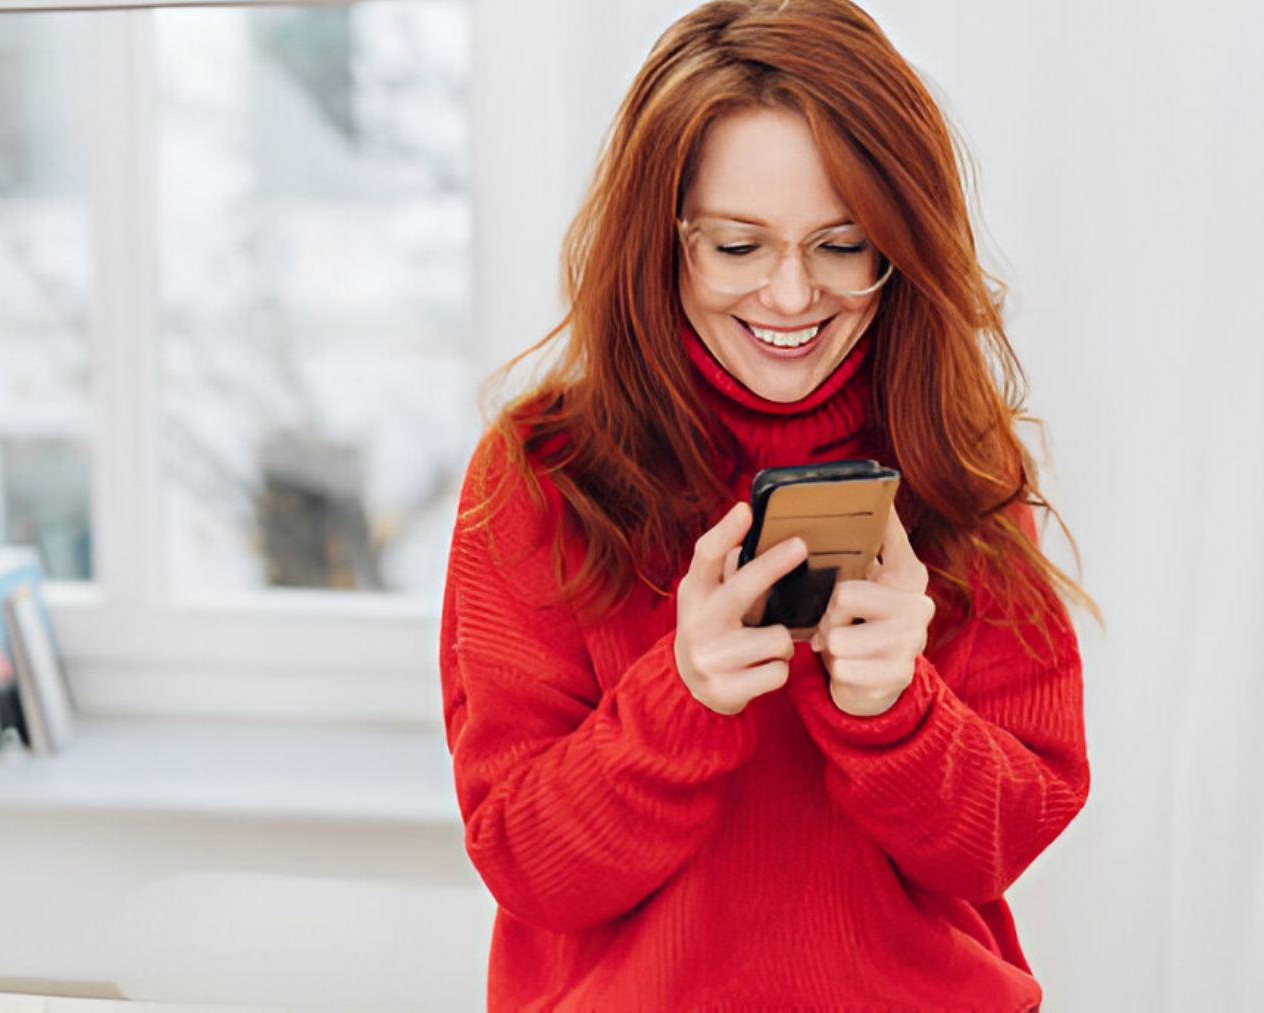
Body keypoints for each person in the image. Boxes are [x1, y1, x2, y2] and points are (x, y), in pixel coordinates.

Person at [438, 0, 1095, 1008]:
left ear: (901, 244)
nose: (792, 297)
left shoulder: (953, 458)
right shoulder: (540, 475)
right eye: (737, 248)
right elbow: (528, 866)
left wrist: (896, 712)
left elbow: (1001, 846)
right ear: (660, 242)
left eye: (843, 245)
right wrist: (680, 698)